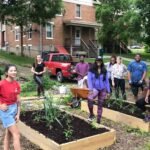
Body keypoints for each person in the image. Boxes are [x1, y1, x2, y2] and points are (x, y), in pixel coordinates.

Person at [0, 64, 21, 150]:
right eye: (11, 70)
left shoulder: (16, 84)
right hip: (6, 111)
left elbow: (18, 101)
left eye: (15, 70)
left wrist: (18, 114)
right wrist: (0, 105)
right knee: (16, 134)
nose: (13, 72)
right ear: (6, 72)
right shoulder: (1, 84)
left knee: (9, 134)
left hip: (14, 110)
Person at [87, 57, 110, 123]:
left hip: (103, 89)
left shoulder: (104, 70)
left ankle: (98, 120)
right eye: (97, 61)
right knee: (89, 98)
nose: (98, 62)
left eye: (100, 61)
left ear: (102, 62)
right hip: (95, 88)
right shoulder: (91, 69)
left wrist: (108, 91)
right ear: (95, 61)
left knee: (100, 104)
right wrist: (90, 89)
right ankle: (91, 114)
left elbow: (107, 81)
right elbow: (89, 80)